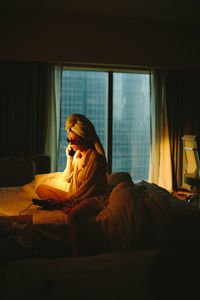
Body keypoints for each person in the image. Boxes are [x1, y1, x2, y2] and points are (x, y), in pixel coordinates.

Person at [36, 113, 108, 215]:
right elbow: (67, 178)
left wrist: (63, 201)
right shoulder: (77, 154)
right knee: (41, 189)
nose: (70, 144)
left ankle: (66, 208)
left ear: (84, 138)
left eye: (73, 140)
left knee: (74, 214)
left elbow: (86, 191)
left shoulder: (95, 159)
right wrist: (70, 158)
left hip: (90, 199)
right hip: (75, 196)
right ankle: (65, 207)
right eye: (68, 140)